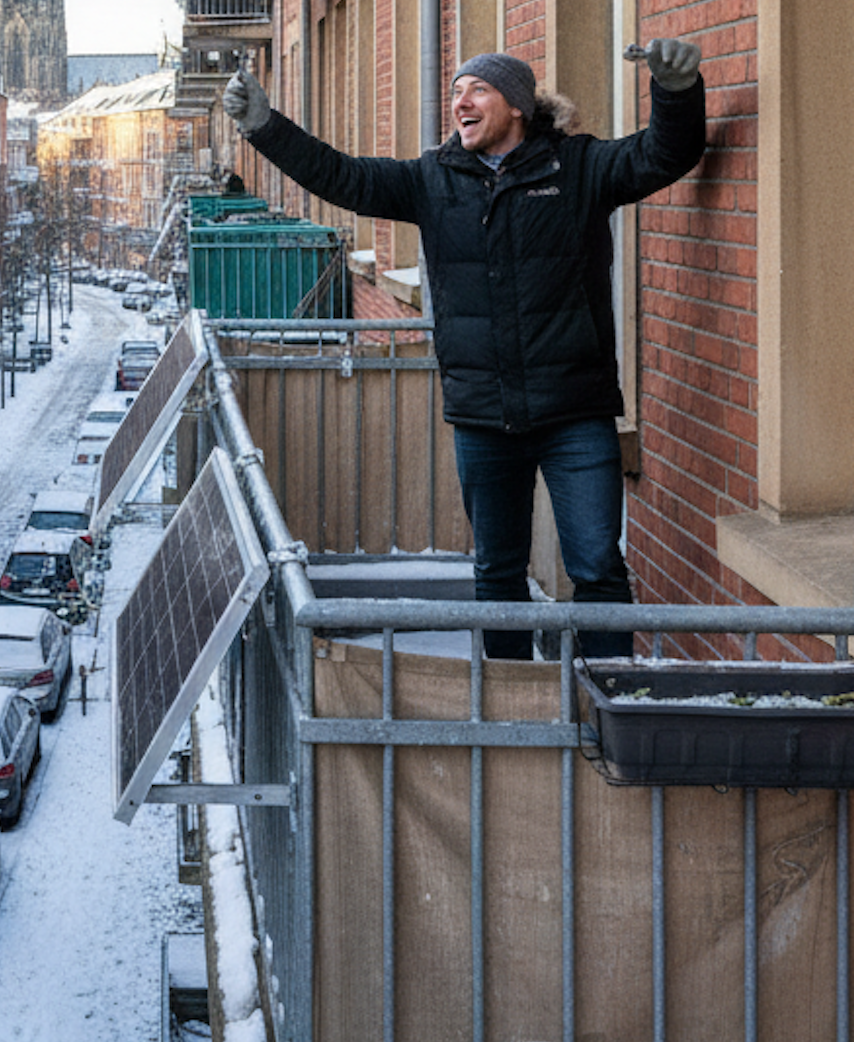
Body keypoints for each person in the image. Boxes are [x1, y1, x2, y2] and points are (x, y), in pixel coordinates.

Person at [222, 42, 706, 658]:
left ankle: (604, 698)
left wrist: (675, 92)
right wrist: (266, 127)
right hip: (484, 417)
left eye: (476, 88)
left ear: (519, 106)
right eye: (456, 90)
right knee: (497, 576)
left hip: (575, 415)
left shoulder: (578, 169)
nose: (460, 101)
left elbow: (664, 154)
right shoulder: (433, 180)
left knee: (598, 568)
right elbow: (339, 174)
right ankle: (507, 705)